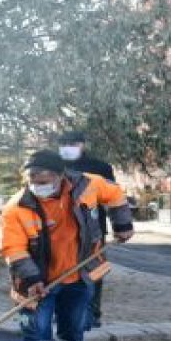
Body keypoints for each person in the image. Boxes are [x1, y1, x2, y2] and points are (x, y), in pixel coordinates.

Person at [0, 149, 133, 341]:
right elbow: (13, 249)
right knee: (37, 332)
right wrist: (31, 279)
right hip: (38, 283)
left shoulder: (88, 186)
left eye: (43, 182)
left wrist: (122, 224)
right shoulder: (15, 208)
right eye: (32, 182)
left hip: (79, 276)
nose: (37, 187)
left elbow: (115, 194)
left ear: (61, 177)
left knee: (72, 331)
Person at [56, 130, 117, 329]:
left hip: (93, 229)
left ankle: (92, 313)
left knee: (94, 270)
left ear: (83, 144)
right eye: (63, 143)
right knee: (62, 270)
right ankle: (64, 312)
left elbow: (114, 197)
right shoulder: (53, 166)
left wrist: (121, 225)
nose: (67, 147)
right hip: (61, 228)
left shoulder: (100, 168)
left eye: (72, 143)